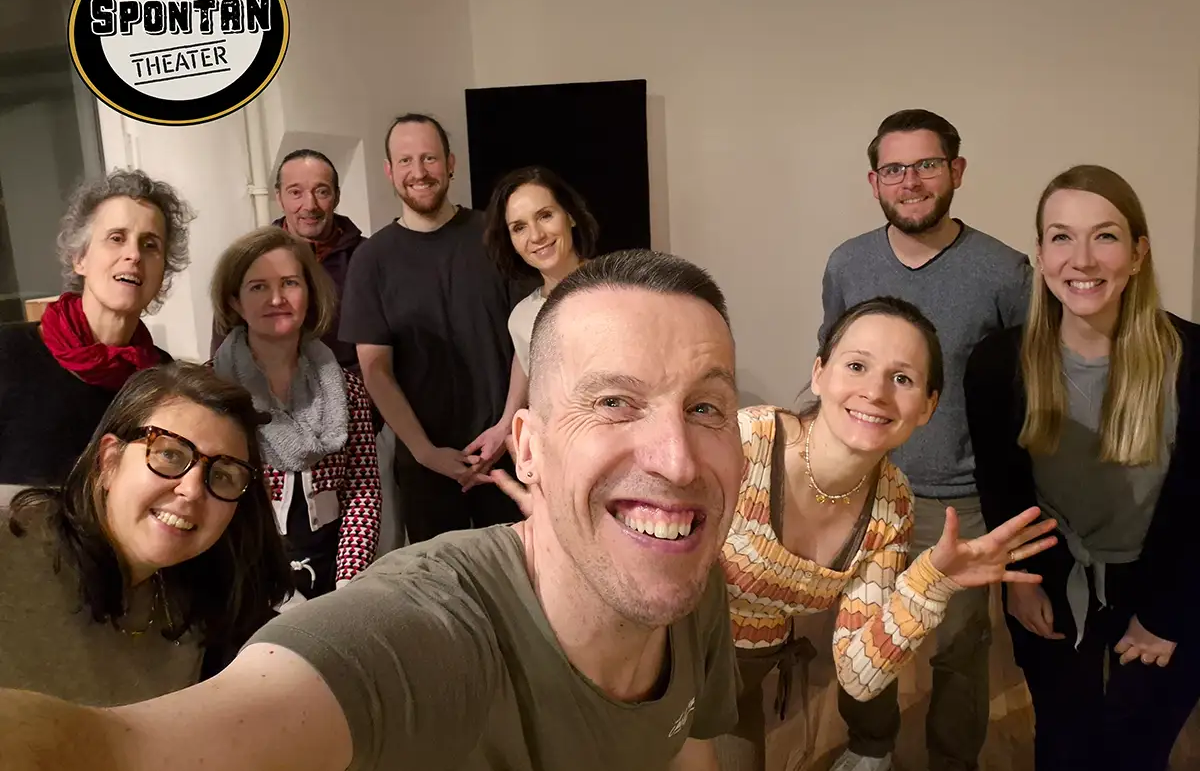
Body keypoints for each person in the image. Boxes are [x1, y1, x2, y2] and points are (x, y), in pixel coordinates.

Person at [0, 249, 749, 771]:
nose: (678, 461)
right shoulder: (436, 630)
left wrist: (346, 560)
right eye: (614, 403)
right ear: (528, 448)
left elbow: (686, 749)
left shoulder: (686, 576)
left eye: (707, 407)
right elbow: (136, 750)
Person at [714, 297, 1057, 771]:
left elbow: (859, 677)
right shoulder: (745, 443)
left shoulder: (891, 505)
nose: (875, 392)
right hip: (658, 660)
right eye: (856, 366)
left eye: (902, 379)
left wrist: (928, 586)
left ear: (928, 406)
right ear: (820, 373)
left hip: (738, 682)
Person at [965, 166, 1200, 771]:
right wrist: (1021, 582)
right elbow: (1002, 488)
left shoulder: (1193, 359)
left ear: (1138, 254)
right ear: (1041, 255)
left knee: (1135, 748)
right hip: (1052, 580)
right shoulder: (997, 364)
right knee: (1063, 742)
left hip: (1169, 583)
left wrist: (1167, 615)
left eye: (1106, 236)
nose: (1083, 259)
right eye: (1062, 237)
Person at [819, 109, 1031, 771]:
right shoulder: (847, 264)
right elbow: (835, 368)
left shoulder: (1004, 272)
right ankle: (870, 747)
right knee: (861, 636)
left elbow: (1028, 389)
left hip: (958, 498)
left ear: (956, 171)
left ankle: (952, 760)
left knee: (959, 651)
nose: (909, 182)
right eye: (894, 169)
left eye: (927, 165)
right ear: (874, 181)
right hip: (861, 490)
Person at [0, 362, 292, 706]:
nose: (192, 490)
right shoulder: (11, 548)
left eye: (223, 475)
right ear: (109, 461)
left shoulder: (199, 610)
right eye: (170, 454)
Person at [339, 114, 527, 544]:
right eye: (406, 160)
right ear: (389, 171)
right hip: (426, 469)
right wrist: (425, 452)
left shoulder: (496, 237)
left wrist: (505, 428)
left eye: (429, 158)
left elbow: (528, 339)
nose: (419, 172)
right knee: (439, 584)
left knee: (522, 576)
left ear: (450, 163)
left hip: (510, 455)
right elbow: (375, 369)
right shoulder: (371, 260)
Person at [211, 226, 381, 600]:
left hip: (332, 582)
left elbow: (362, 493)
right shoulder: (210, 393)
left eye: (290, 283)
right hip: (241, 584)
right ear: (235, 302)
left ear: (310, 293)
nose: (277, 299)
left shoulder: (349, 390)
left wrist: (348, 585)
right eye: (258, 286)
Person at [0, 170, 193, 496]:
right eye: (116, 238)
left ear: (163, 273)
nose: (134, 255)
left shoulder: (162, 379)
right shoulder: (8, 352)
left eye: (150, 245)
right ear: (80, 258)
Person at [209, 149, 366, 371]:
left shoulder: (368, 258)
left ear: (337, 196)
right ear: (279, 196)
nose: (310, 205)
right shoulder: (249, 260)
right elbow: (223, 348)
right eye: (295, 192)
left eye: (322, 192)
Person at [483, 163, 600, 396]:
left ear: (570, 216)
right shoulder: (522, 319)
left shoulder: (622, 286)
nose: (536, 236)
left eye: (545, 216)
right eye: (519, 228)